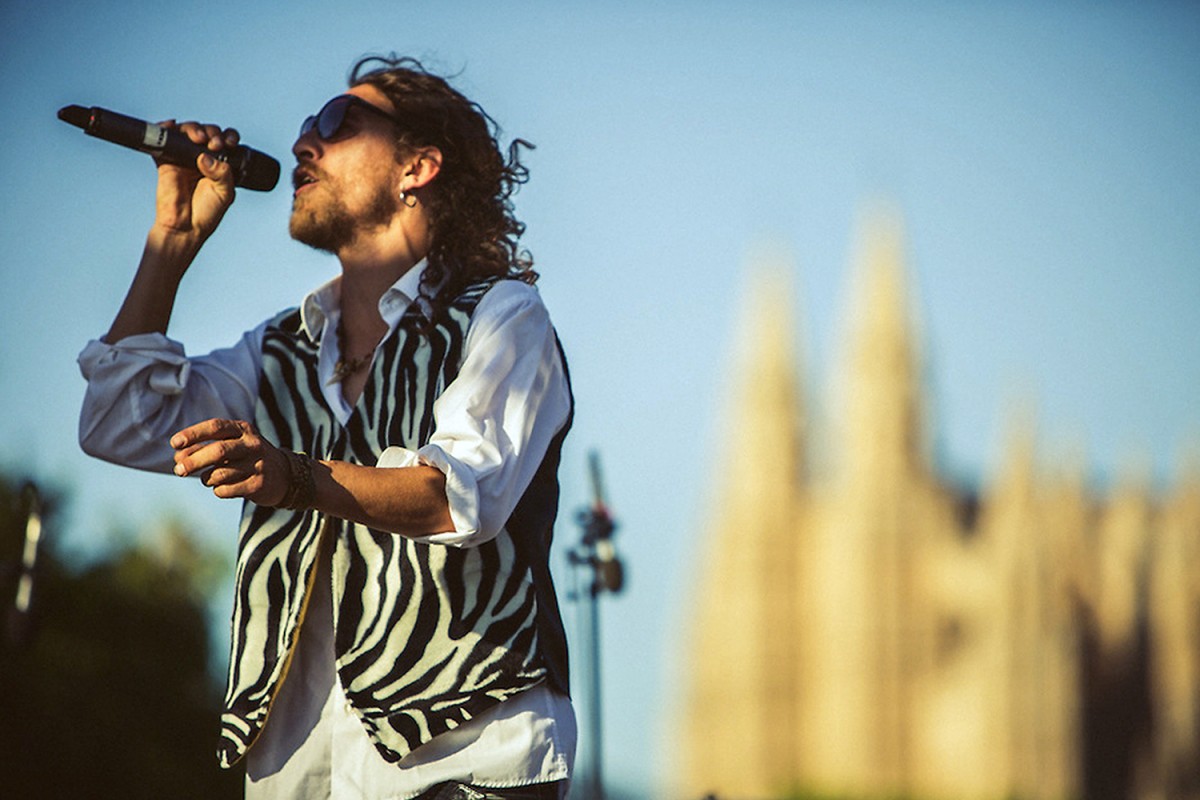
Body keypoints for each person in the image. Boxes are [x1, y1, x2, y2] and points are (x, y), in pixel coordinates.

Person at [77, 55, 575, 800]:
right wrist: (172, 242)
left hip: (465, 761)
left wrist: (294, 476)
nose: (303, 142)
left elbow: (456, 498)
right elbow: (118, 420)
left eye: (339, 123)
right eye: (309, 125)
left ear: (418, 166)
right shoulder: (279, 348)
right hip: (302, 773)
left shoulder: (501, 316)